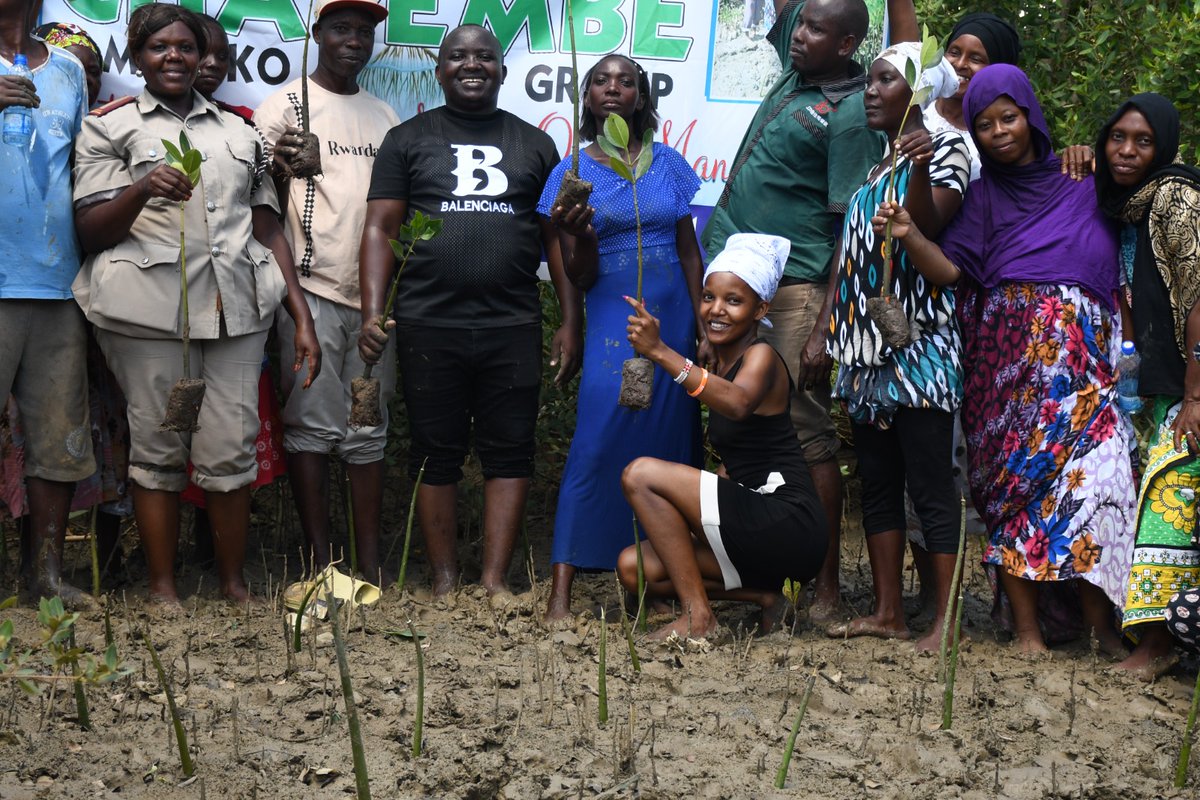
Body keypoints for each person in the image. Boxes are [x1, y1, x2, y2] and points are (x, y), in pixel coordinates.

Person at [873, 64, 1136, 654]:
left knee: (1100, 489)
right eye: (985, 124)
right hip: (1006, 375)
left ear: (1031, 116)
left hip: (1086, 377)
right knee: (1015, 495)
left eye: (1008, 117)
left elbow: (1141, 202)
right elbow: (948, 271)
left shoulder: (1086, 179)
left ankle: (1102, 629)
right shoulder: (981, 199)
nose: (998, 132)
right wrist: (912, 233)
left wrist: (1093, 153)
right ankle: (1027, 633)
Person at [72, 3, 321, 605]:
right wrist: (141, 187)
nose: (176, 57)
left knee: (230, 449)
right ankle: (163, 590)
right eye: (160, 48)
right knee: (158, 448)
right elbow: (91, 229)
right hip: (146, 314)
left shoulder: (238, 133)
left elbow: (266, 227)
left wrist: (301, 316)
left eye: (186, 47)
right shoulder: (109, 127)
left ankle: (232, 584)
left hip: (235, 311)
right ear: (136, 58)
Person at [359, 24, 581, 599]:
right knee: (436, 450)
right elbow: (380, 229)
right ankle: (443, 578)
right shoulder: (407, 140)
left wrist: (570, 319)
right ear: (439, 70)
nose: (471, 65)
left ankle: (493, 579)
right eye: (457, 56)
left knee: (510, 448)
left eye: (484, 56)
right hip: (430, 320)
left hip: (512, 321)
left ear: (503, 71)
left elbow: (553, 238)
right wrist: (372, 312)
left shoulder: (536, 144)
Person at [702, 0, 885, 623]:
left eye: (815, 29)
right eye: (799, 25)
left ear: (848, 43)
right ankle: (759, 577)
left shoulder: (853, 111)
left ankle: (825, 588)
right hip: (740, 291)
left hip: (798, 290)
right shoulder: (799, 67)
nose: (799, 35)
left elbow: (851, 223)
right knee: (743, 433)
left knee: (807, 439)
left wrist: (828, 323)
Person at [538, 53, 703, 623]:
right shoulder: (571, 175)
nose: (613, 88)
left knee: (670, 436)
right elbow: (576, 272)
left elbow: (688, 248)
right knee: (597, 437)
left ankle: (664, 577)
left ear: (641, 97)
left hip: (675, 314)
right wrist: (575, 234)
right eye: (601, 81)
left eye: (626, 81)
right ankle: (562, 588)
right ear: (586, 99)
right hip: (611, 312)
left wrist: (703, 320)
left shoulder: (670, 164)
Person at [824, 43, 968, 651]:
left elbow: (927, 226)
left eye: (886, 80)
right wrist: (825, 326)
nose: (871, 91)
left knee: (930, 484)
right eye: (869, 81)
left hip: (919, 351)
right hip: (866, 354)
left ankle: (946, 622)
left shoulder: (949, 150)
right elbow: (852, 250)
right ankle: (888, 612)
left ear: (919, 91)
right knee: (878, 483)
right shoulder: (878, 162)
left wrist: (919, 163)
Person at [616, 234, 828, 640]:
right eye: (709, 297)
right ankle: (765, 597)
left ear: (761, 309)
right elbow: (741, 457)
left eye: (734, 301)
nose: (716, 310)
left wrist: (660, 352)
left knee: (639, 474)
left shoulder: (761, 356)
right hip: (754, 526)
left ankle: (699, 618)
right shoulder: (723, 361)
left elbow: (737, 402)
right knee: (633, 567)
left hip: (788, 523)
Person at [255, 0, 398, 583]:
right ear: (317, 33)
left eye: (364, 31)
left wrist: (381, 305)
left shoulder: (385, 115)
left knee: (367, 426)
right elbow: (255, 200)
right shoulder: (285, 105)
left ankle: (366, 566)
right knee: (311, 425)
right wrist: (288, 166)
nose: (354, 40)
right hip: (309, 293)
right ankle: (321, 562)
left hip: (374, 304)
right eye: (341, 28)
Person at [1092, 94, 1200, 678]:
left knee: (1168, 508)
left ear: (1164, 148)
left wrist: (1194, 397)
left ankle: (1157, 647)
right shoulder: (1131, 205)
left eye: (1142, 141)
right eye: (1117, 138)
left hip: (1191, 388)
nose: (1126, 151)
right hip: (1159, 387)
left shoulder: (1177, 198)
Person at [0, 0, 94, 606]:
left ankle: (46, 578)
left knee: (57, 438)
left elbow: (84, 169)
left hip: (59, 283)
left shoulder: (68, 70)